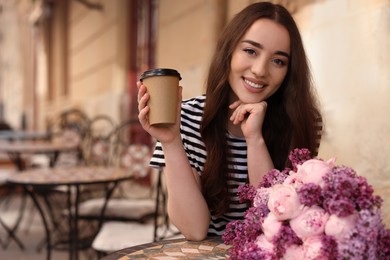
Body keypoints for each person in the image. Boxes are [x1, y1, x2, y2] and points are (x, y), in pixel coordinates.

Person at [137, 2, 322, 241]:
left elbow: (276, 222)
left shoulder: (304, 121)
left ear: (289, 70)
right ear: (229, 51)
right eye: (251, 51)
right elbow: (194, 229)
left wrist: (254, 139)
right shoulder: (187, 117)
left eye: (278, 61)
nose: (259, 70)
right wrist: (172, 141)